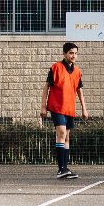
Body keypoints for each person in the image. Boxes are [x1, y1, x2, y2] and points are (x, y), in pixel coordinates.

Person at [41, 43, 89, 179]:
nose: (73, 55)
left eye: (75, 53)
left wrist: (84, 109)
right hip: (56, 107)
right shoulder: (55, 68)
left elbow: (80, 91)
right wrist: (43, 106)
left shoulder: (77, 72)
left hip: (69, 108)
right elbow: (46, 88)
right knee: (61, 133)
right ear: (64, 54)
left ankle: (65, 169)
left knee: (66, 137)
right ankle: (61, 169)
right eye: (70, 53)